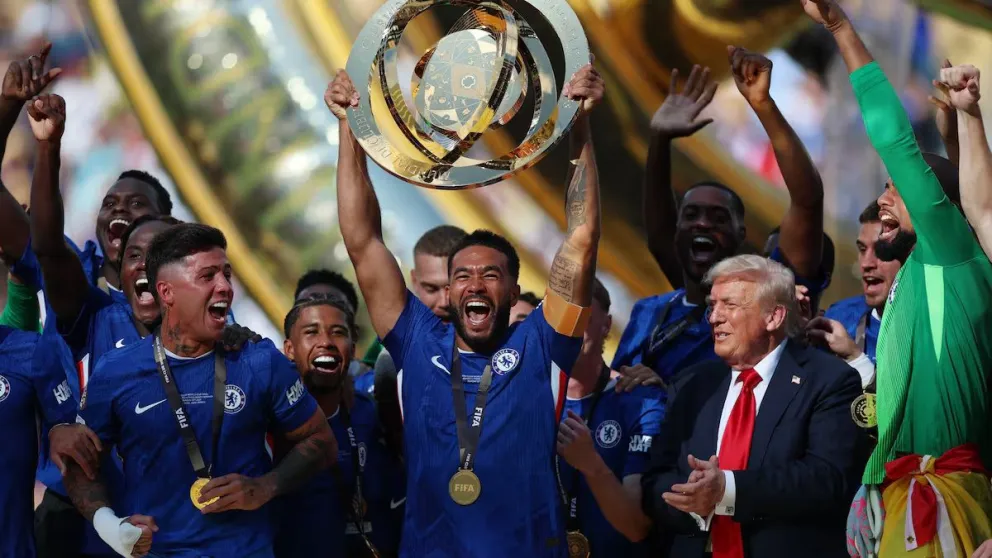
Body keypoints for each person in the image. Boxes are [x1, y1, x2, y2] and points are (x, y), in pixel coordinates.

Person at [325, 56, 602, 556]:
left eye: (490, 275)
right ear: (449, 293)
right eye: (462, 277)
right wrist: (349, 128)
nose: (475, 284)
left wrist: (579, 126)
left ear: (513, 293)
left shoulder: (542, 342)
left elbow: (581, 240)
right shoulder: (415, 339)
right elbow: (362, 241)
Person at [804, 1, 992, 555]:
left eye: (899, 188)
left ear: (937, 210)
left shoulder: (952, 257)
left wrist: (841, 28)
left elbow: (893, 137)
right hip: (901, 500)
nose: (886, 197)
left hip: (946, 506)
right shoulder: (920, 282)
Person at [62, 223, 336, 557]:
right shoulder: (115, 371)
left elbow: (321, 441)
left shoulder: (258, 359)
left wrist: (265, 486)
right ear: (167, 293)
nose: (225, 287)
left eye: (227, 274)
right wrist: (109, 525)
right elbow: (79, 463)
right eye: (207, 276)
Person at [614, 48, 829, 387]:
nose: (702, 224)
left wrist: (763, 105)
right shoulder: (655, 311)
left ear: (741, 234)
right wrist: (659, 140)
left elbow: (807, 200)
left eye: (718, 218)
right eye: (691, 215)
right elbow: (659, 236)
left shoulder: (762, 305)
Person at [641, 254, 866, 558]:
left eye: (729, 305)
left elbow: (827, 478)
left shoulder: (829, 380)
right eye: (712, 305)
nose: (714, 317)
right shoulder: (691, 384)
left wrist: (727, 489)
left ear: (773, 317)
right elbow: (655, 481)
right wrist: (692, 499)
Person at [277, 294, 405, 557]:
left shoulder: (371, 413)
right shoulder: (268, 424)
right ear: (289, 349)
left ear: (353, 348)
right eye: (311, 332)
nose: (326, 342)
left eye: (338, 332)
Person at [556, 279, 664, 556]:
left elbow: (636, 527)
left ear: (606, 325)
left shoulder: (640, 399)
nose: (570, 328)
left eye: (582, 317)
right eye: (560, 317)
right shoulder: (525, 396)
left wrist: (591, 464)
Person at [807, 201, 902, 387]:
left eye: (880, 250)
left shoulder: (931, 327)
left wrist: (855, 358)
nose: (866, 263)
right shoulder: (839, 318)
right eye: (862, 249)